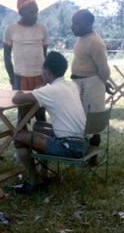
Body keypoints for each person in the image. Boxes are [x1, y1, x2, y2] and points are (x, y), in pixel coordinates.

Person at [12, 51, 87, 193]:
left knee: (18, 137)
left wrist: (18, 92)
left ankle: (33, 183)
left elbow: (17, 99)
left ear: (47, 71)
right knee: (38, 126)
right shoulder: (72, 86)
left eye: (43, 69)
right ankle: (43, 174)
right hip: (83, 142)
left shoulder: (50, 90)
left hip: (69, 147)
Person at [71, 9, 114, 166]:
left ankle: (92, 159)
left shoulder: (95, 42)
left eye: (76, 23)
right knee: (79, 120)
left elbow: (104, 69)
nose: (73, 27)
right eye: (72, 23)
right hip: (78, 83)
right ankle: (82, 152)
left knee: (92, 122)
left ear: (88, 24)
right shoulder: (81, 39)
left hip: (92, 84)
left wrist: (104, 82)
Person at [3, 0, 48, 122]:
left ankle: (40, 139)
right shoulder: (11, 29)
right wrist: (12, 76)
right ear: (21, 12)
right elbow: (6, 56)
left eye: (36, 11)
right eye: (31, 12)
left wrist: (46, 77)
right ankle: (22, 140)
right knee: (22, 113)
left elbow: (45, 54)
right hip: (20, 77)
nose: (35, 15)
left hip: (40, 76)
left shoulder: (42, 29)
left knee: (40, 111)